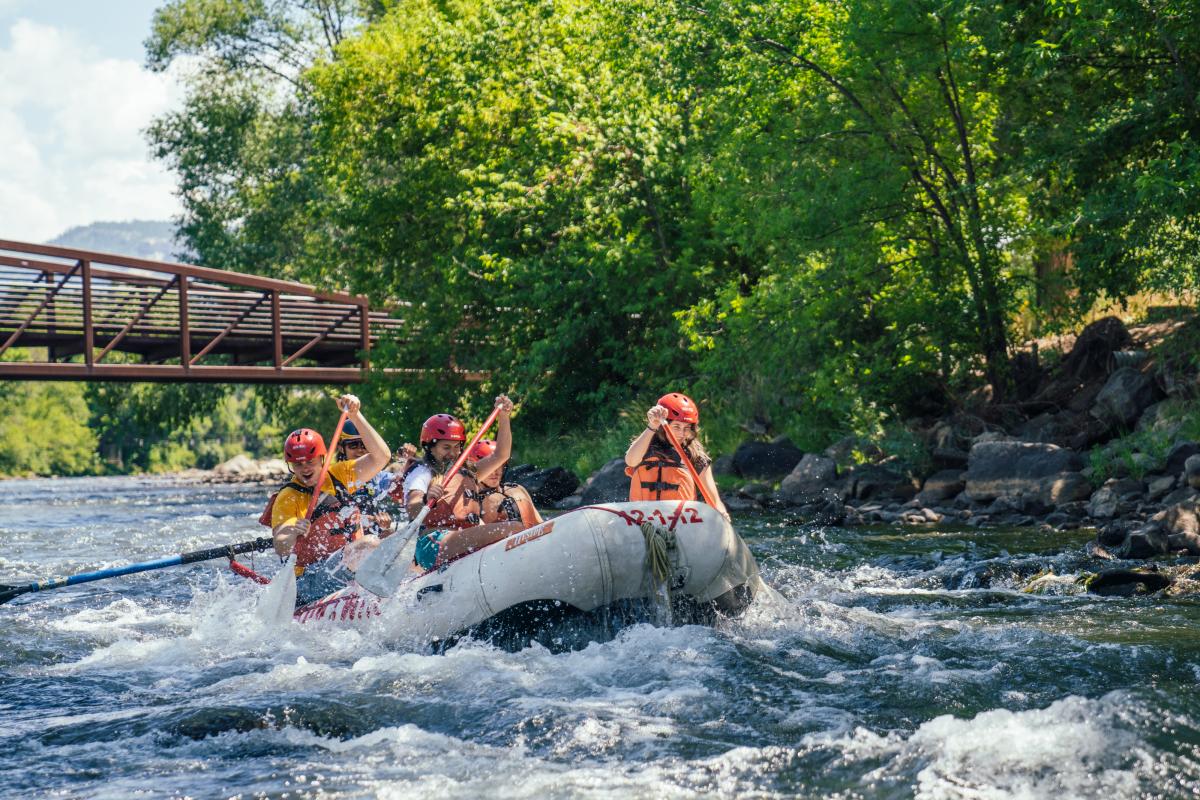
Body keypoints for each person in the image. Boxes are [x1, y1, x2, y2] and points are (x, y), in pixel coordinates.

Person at [266, 394, 391, 604]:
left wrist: (356, 415)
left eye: (310, 462)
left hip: (347, 568)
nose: (305, 468)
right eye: (298, 464)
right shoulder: (288, 497)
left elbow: (382, 457)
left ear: (322, 458)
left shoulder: (340, 475)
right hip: (308, 581)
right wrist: (292, 533)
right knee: (369, 543)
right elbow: (280, 545)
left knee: (390, 543)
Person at [398, 396, 525, 572]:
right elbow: (412, 507)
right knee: (515, 528)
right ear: (430, 447)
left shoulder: (469, 472)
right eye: (446, 448)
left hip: (460, 538)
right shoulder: (422, 472)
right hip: (433, 543)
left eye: (457, 447)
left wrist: (504, 417)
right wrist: (427, 497)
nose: (453, 453)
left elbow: (501, 455)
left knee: (513, 526)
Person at [624, 392, 729, 518]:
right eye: (676, 426)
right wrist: (652, 425)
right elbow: (631, 461)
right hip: (642, 521)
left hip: (681, 524)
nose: (681, 433)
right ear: (664, 426)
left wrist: (723, 516)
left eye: (687, 428)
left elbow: (715, 501)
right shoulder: (646, 445)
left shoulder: (695, 456)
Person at [335, 420, 397, 537]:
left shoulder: (378, 477)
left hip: (372, 540)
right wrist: (370, 519)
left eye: (364, 445)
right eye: (353, 445)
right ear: (341, 448)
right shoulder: (334, 479)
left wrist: (412, 464)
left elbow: (401, 484)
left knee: (389, 533)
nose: (360, 450)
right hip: (344, 542)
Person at [469, 438, 544, 527]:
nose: (494, 472)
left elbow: (541, 524)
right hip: (502, 538)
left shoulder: (517, 488)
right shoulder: (472, 502)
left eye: (499, 466)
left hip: (534, 537)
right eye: (490, 468)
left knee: (516, 492)